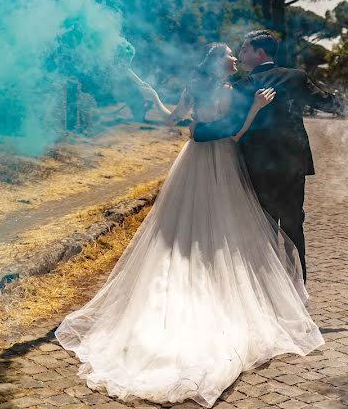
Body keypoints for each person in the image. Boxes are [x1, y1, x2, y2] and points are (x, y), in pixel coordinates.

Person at [55, 43, 323, 408]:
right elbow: (233, 135)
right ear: (220, 61)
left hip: (191, 162)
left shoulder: (195, 88)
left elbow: (170, 119)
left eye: (237, 52)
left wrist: (158, 100)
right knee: (224, 231)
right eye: (230, 54)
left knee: (186, 229)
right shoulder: (233, 91)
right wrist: (256, 109)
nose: (234, 57)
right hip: (222, 160)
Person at [192, 30, 340, 282]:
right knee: (294, 226)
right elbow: (327, 103)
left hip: (257, 167)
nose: (241, 54)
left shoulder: (243, 87)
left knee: (264, 229)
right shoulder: (295, 77)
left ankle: (269, 289)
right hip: (293, 166)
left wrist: (199, 132)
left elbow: (229, 125)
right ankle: (297, 287)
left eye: (245, 50)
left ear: (259, 53)